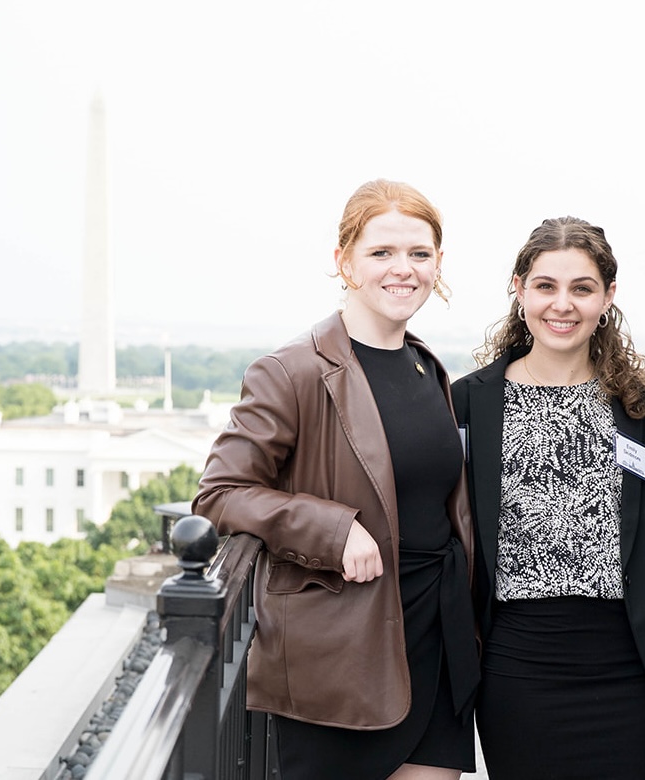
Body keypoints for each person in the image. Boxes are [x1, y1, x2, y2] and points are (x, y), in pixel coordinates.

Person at [192, 179, 479, 780]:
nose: (404, 270)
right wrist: (331, 529)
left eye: (419, 254)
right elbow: (219, 493)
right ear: (343, 261)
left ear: (439, 263)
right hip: (342, 654)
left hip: (436, 638)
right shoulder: (289, 370)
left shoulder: (428, 366)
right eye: (382, 253)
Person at [451, 216, 645, 780]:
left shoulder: (644, 407)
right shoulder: (468, 403)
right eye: (545, 286)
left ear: (608, 297)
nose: (563, 305)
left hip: (632, 668)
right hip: (517, 668)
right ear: (518, 289)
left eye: (582, 288)